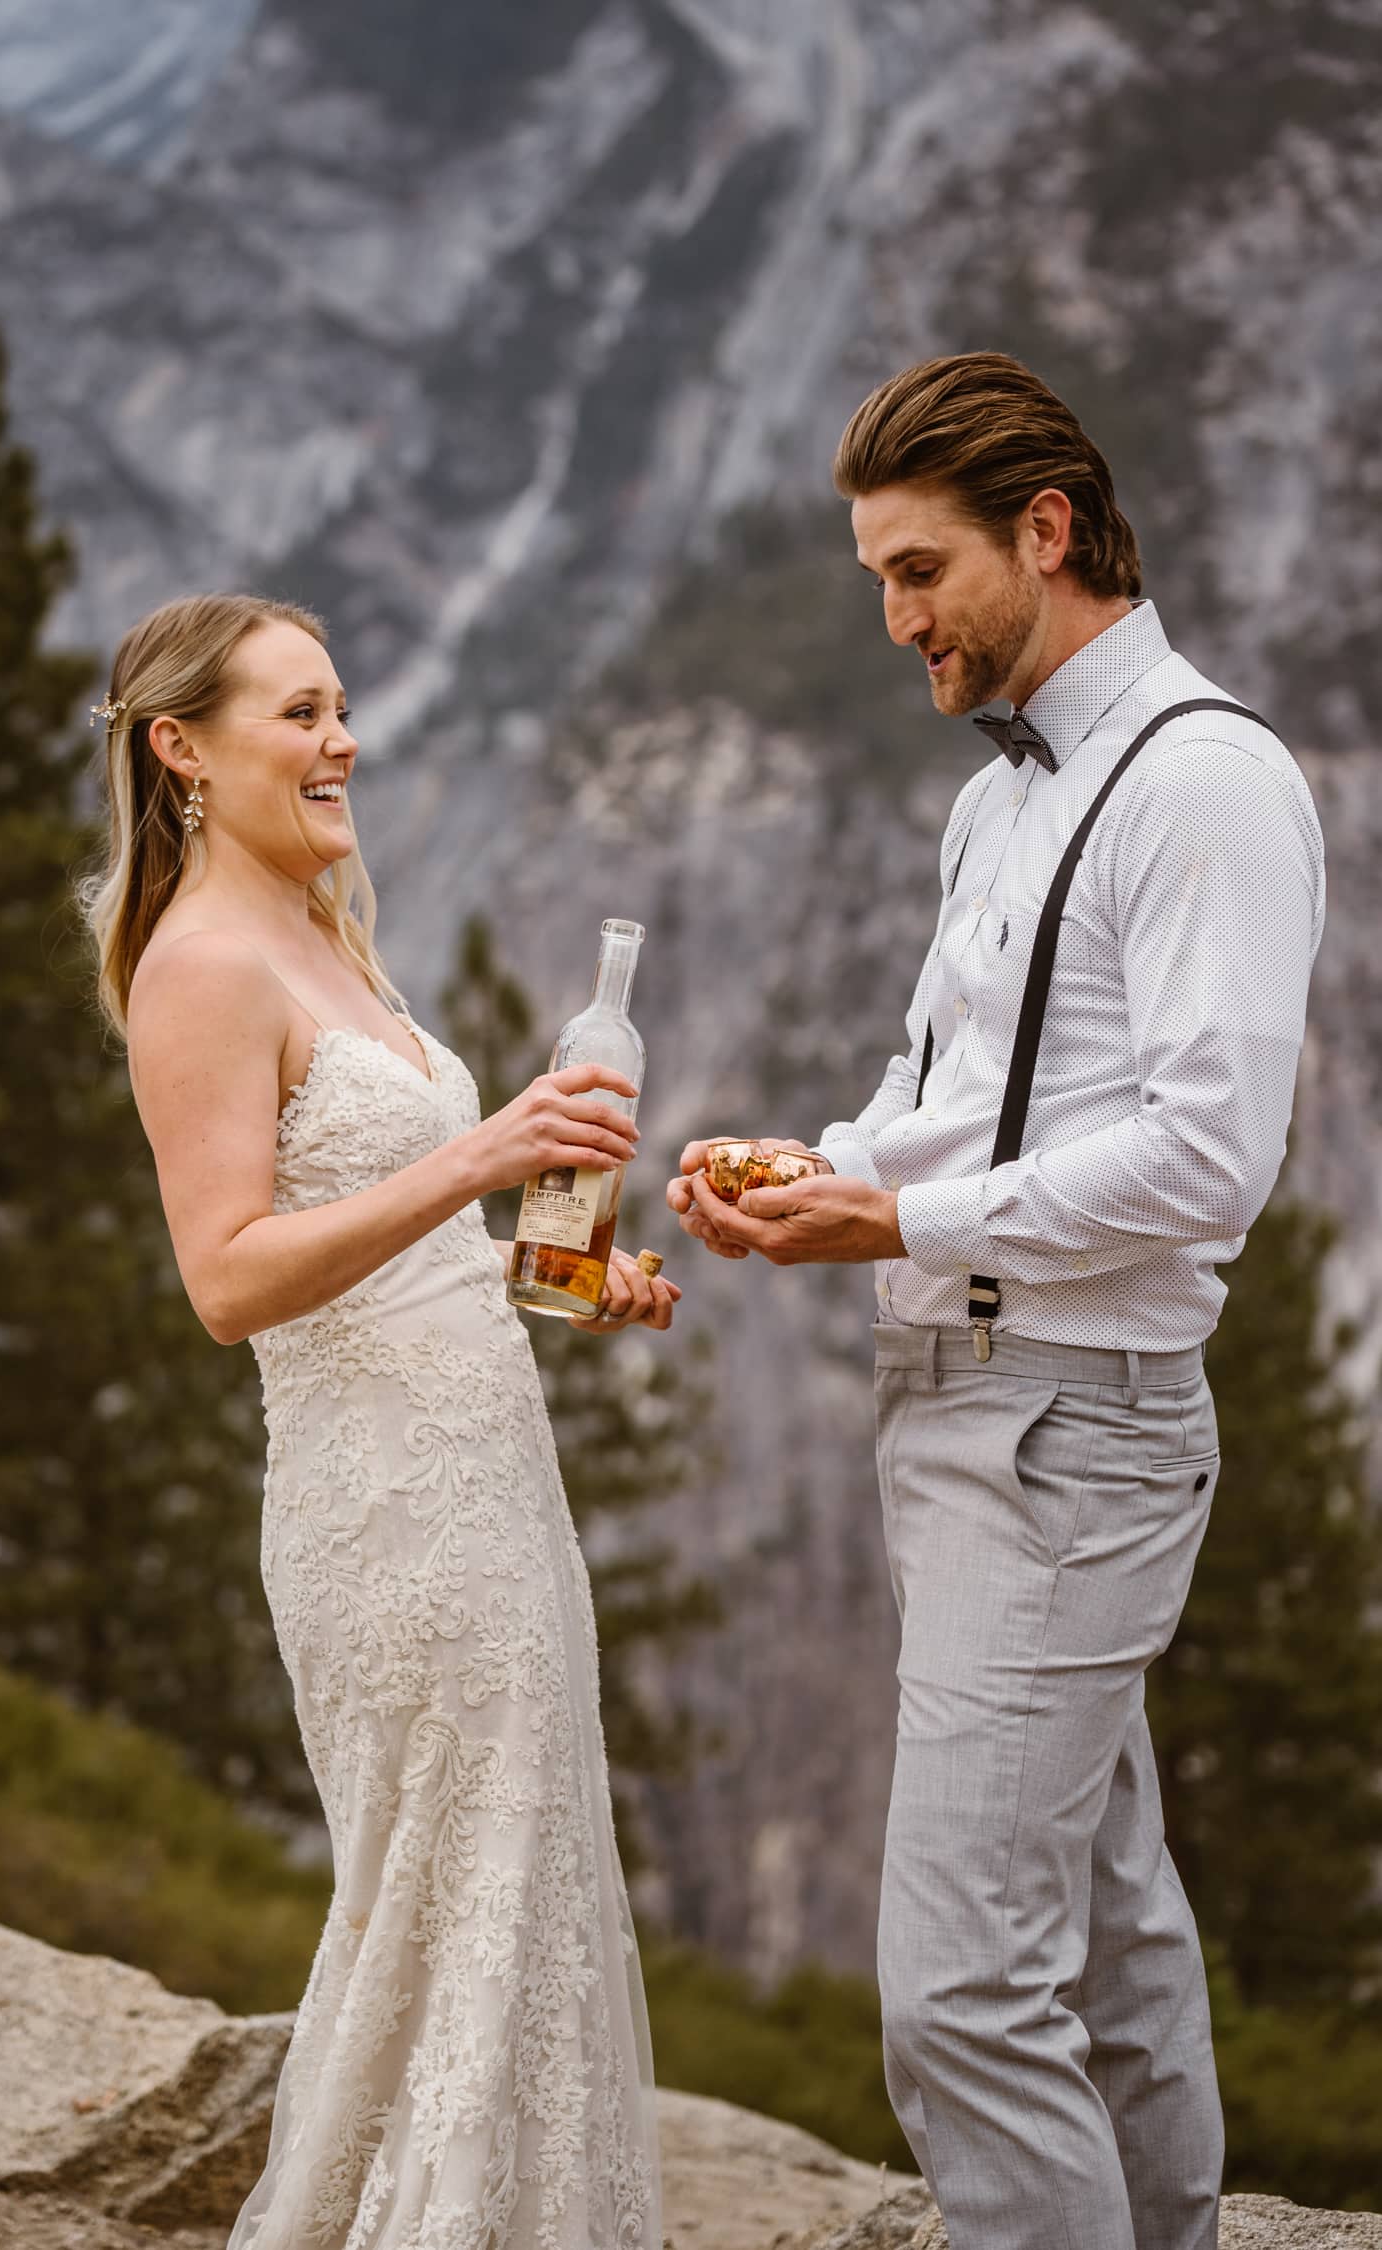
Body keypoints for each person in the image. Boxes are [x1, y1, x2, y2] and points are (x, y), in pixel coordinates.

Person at [669, 352, 1324, 2250]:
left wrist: (893, 1223)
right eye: (878, 578)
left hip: (1066, 1423)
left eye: (919, 569)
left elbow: (1214, 1157)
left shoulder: (1205, 780)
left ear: (1047, 531)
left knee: (959, 1990)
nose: (896, 621)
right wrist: (817, 1162)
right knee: (1109, 1934)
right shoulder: (996, 803)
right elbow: (940, 1092)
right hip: (967, 1410)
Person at [81, 591, 672, 2250]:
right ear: (179, 749)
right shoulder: (198, 964)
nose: (340, 740)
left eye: (341, 706)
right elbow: (230, 1278)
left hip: (494, 1490)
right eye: (299, 712)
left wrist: (545, 1268)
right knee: (445, 1911)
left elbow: (384, 1254)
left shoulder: (324, 930)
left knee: (521, 1904)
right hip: (387, 1524)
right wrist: (478, 1161)